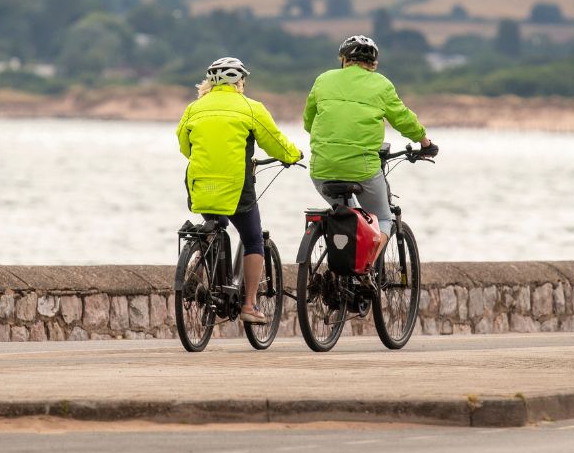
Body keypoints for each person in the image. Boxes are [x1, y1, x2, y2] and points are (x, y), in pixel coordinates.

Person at [177, 57, 301, 324]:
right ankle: (249, 305)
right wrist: (293, 156)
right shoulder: (251, 108)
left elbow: (185, 147)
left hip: (200, 185)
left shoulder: (194, 108)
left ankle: (200, 259)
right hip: (237, 187)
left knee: (215, 227)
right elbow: (276, 142)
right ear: (239, 81)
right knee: (253, 238)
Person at [303, 35, 437, 251]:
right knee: (383, 218)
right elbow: (404, 120)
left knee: (347, 216)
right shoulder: (381, 84)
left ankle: (340, 271)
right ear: (373, 64)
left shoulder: (323, 79)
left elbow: (309, 122)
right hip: (362, 169)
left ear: (344, 60)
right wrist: (425, 142)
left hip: (322, 168)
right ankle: (364, 272)